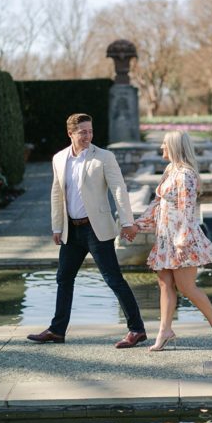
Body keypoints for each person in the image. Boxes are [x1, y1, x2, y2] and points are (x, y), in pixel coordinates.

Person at [28, 113, 147, 348]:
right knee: (64, 278)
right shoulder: (59, 159)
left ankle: (137, 329)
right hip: (71, 231)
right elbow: (56, 193)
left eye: (90, 131)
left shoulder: (104, 157)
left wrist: (127, 222)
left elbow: (119, 190)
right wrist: (56, 226)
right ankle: (57, 330)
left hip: (96, 229)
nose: (88, 136)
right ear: (70, 133)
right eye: (83, 132)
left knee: (114, 279)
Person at [127, 130, 212, 351]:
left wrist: (182, 242)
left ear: (174, 147)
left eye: (164, 145)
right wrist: (138, 225)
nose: (161, 148)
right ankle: (165, 331)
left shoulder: (186, 175)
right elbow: (157, 204)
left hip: (181, 238)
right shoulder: (170, 170)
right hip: (165, 238)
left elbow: (187, 211)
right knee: (164, 283)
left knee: (186, 287)